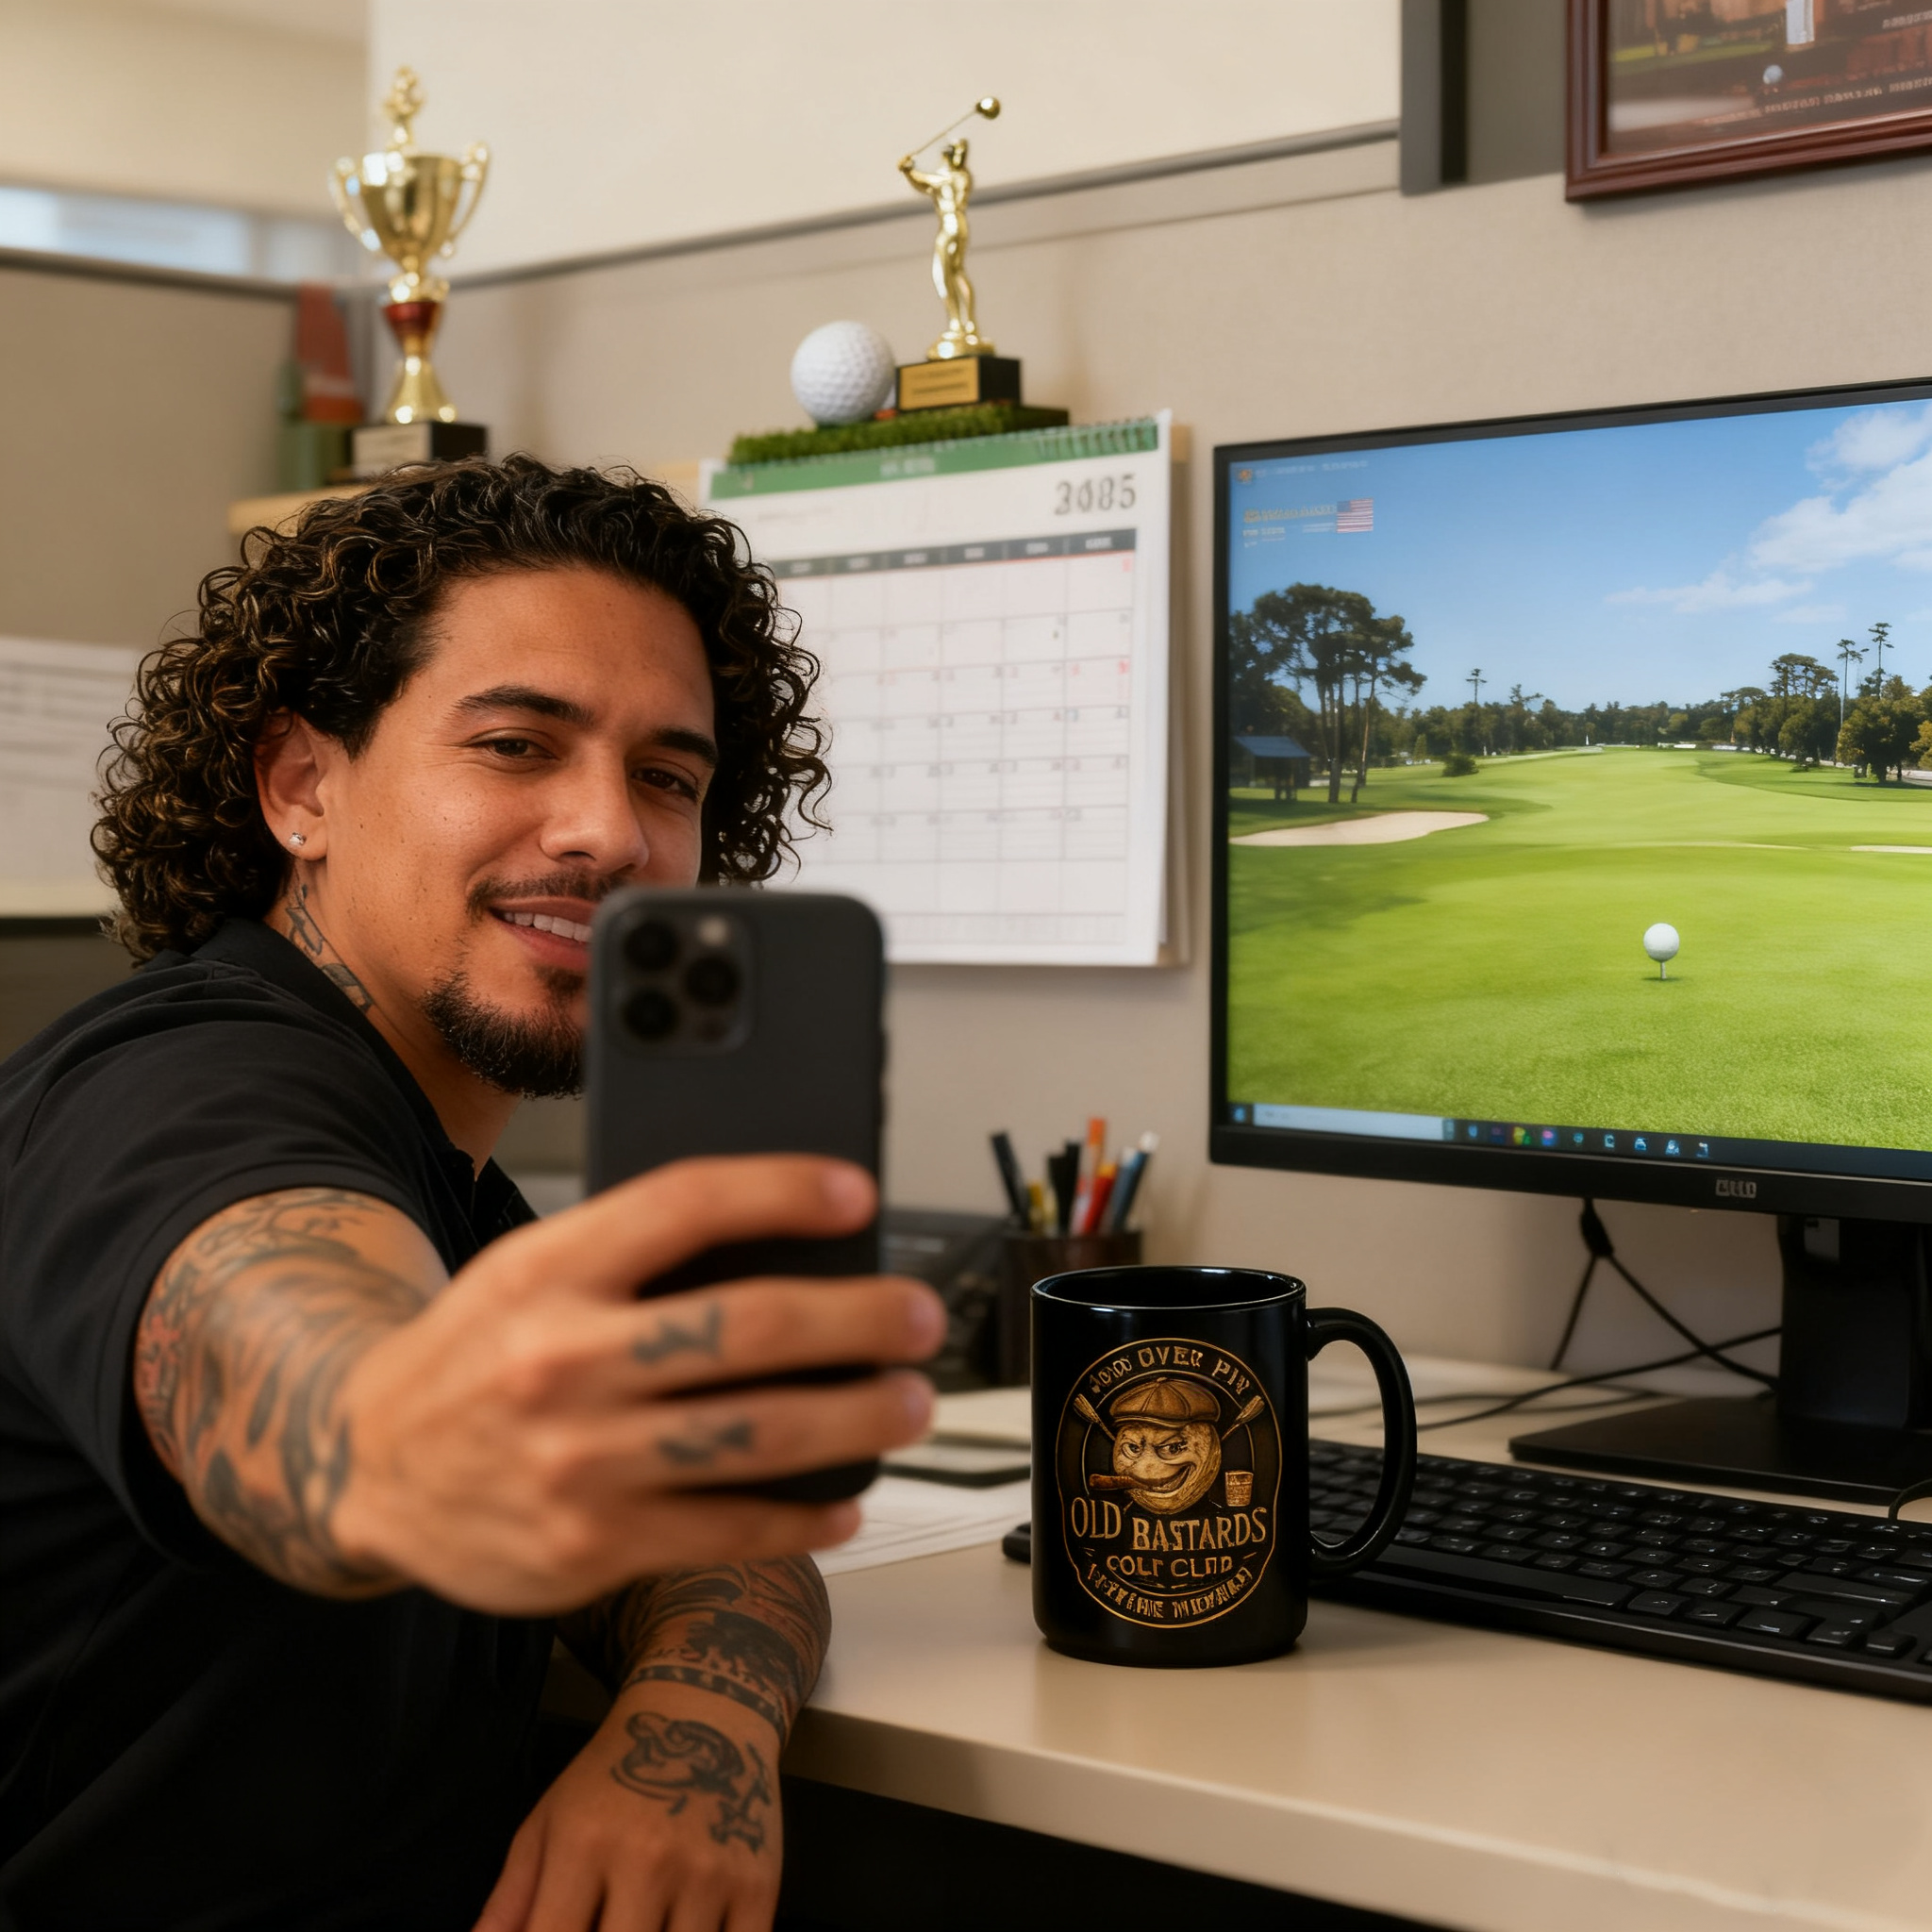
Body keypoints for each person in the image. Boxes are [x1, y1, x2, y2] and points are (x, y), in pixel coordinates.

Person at [0, 457, 945, 1932]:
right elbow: (299, 1349)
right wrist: (397, 1446)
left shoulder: (451, 1195)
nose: (610, 833)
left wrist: (694, 1722)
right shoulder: (174, 1092)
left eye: (668, 777)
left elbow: (718, 1535)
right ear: (303, 786)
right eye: (517, 746)